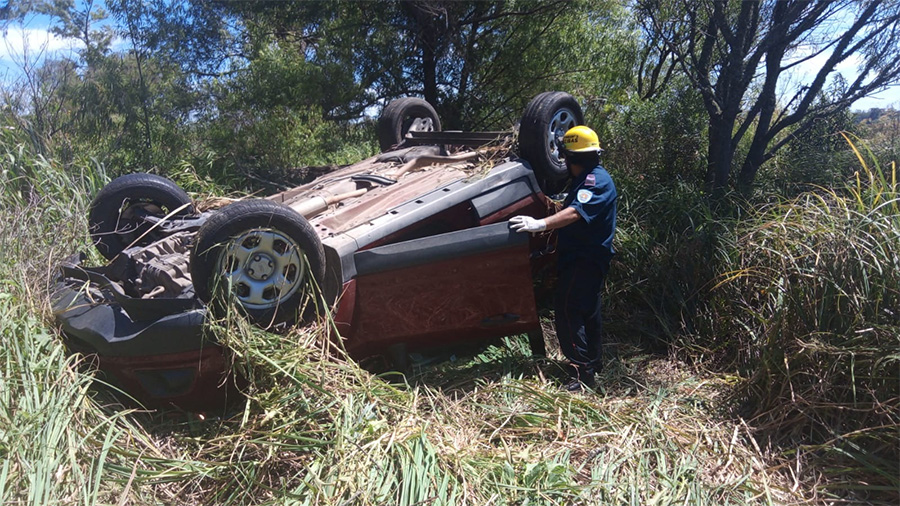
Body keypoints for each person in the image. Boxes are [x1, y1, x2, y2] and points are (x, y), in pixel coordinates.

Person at [509, 125, 617, 391]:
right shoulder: (588, 178)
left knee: (569, 311)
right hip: (587, 258)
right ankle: (593, 363)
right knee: (588, 311)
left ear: (571, 157)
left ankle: (581, 375)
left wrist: (540, 224)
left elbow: (575, 212)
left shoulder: (595, 181)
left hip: (584, 259)